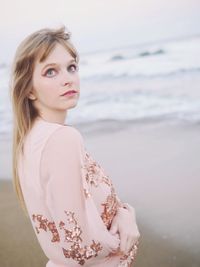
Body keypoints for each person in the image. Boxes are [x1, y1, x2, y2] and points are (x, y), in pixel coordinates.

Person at [10, 26, 140, 267]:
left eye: (71, 67)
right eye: (50, 72)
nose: (68, 78)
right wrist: (126, 228)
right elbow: (79, 248)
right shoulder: (63, 139)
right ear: (28, 89)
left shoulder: (28, 140)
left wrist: (123, 211)